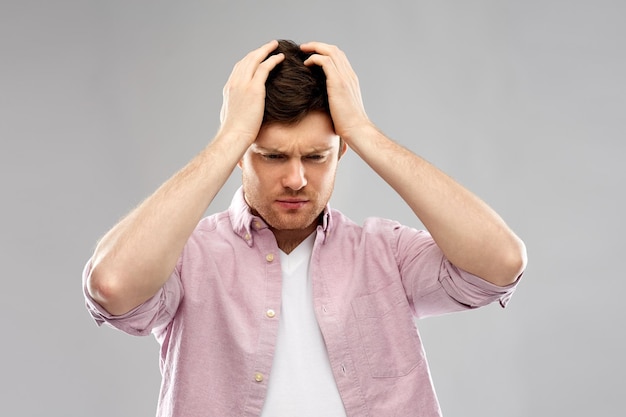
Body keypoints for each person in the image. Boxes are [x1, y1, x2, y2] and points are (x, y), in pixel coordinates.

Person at [83, 39, 527, 417]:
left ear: (340, 152)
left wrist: (363, 131)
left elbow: (501, 263)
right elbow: (113, 284)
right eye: (273, 156)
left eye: (316, 157)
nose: (296, 179)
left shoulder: (385, 253)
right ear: (241, 153)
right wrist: (228, 137)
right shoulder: (187, 257)